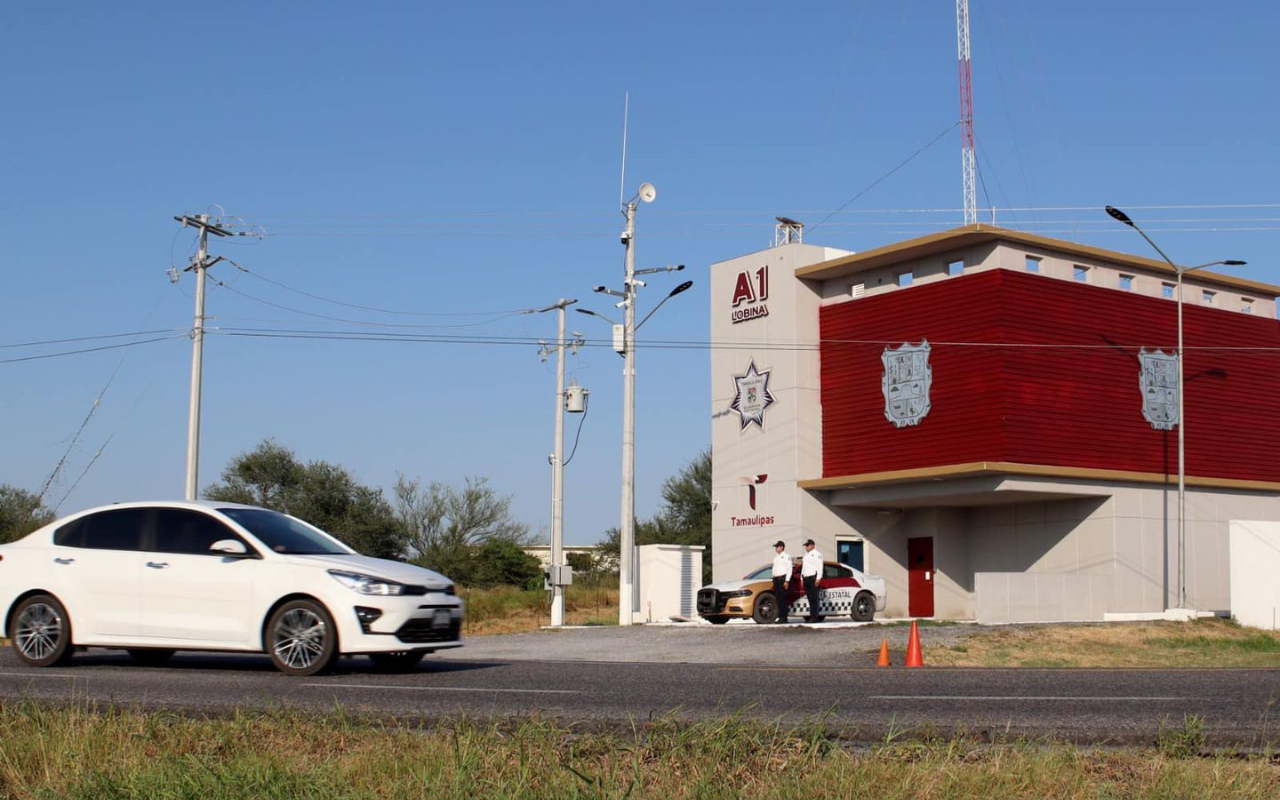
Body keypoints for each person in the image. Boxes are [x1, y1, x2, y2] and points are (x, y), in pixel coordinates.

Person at [800, 538, 823, 623]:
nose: (806, 547)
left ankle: (815, 617)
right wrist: (801, 578)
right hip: (806, 578)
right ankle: (811, 616)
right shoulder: (805, 555)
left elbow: (820, 567)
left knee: (814, 598)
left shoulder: (817, 554)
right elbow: (803, 567)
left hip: (813, 578)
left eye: (808, 545)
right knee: (809, 598)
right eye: (806, 546)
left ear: (813, 545)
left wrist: (818, 578)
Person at [770, 540, 792, 623]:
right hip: (776, 579)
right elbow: (774, 568)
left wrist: (787, 581)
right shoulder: (776, 557)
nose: (776, 548)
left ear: (782, 547)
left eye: (777, 547)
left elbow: (789, 569)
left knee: (782, 599)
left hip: (782, 579)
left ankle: (784, 617)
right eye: (775, 547)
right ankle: (780, 616)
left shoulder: (786, 556)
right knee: (778, 599)